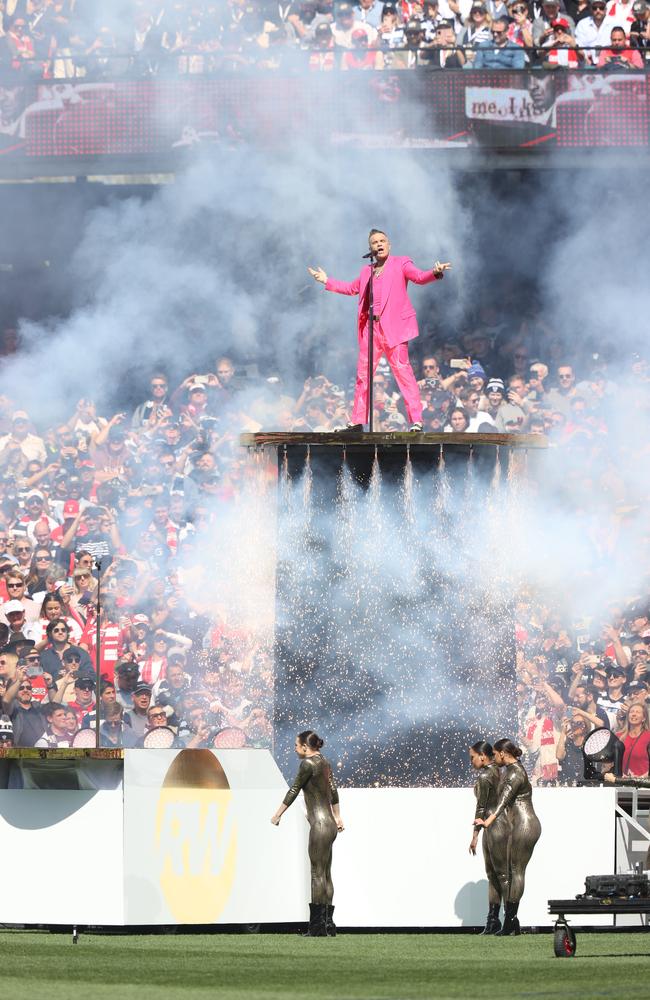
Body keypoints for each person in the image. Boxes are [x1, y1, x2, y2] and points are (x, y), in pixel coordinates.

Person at [308, 229, 451, 432]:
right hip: (371, 329)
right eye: (375, 242)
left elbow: (419, 277)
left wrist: (435, 273)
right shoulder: (367, 271)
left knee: (403, 372)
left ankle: (416, 420)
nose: (379, 244)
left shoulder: (401, 263)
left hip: (395, 329)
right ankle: (358, 421)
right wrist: (326, 280)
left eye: (382, 241)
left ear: (389, 245)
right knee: (363, 375)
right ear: (370, 248)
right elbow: (351, 288)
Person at [271, 730, 343, 937]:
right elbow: (334, 790)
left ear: (305, 746)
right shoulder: (325, 763)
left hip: (319, 824)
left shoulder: (308, 764)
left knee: (317, 874)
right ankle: (328, 925)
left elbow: (294, 790)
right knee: (326, 873)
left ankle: (317, 927)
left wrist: (278, 815)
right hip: (329, 823)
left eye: (296, 745)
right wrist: (338, 817)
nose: (294, 749)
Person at [475, 738, 541, 936]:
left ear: (503, 753)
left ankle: (511, 920)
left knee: (516, 870)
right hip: (517, 824)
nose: (494, 759)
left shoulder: (516, 773)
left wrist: (488, 821)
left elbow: (504, 801)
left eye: (495, 754)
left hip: (525, 824)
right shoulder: (510, 769)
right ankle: (511, 921)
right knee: (511, 871)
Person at [468, 741, 510, 935]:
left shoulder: (486, 776)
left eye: (472, 757)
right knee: (498, 874)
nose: (472, 761)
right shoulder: (500, 771)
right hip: (502, 823)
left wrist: (474, 836)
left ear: (483, 756)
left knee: (497, 874)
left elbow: (481, 808)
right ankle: (498, 919)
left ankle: (501, 920)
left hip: (493, 825)